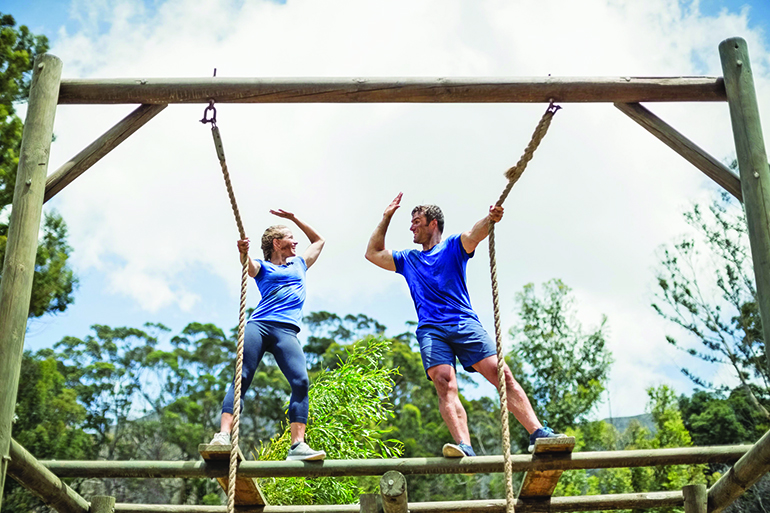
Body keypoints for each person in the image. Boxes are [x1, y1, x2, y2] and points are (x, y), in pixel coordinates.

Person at [365, 193, 563, 457]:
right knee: (444, 382)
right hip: (432, 330)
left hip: (463, 322)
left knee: (501, 374)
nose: (411, 227)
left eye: (417, 222)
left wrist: (490, 218)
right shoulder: (407, 259)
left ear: (433, 223)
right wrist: (386, 216)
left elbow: (474, 234)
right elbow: (372, 253)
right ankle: (464, 446)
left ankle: (538, 433)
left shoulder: (453, 247)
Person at [209, 209, 326, 461]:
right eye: (290, 237)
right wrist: (243, 252)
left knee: (301, 382)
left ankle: (297, 446)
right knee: (242, 378)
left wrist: (294, 219)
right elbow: (249, 267)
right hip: (260, 326)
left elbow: (319, 241)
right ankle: (223, 435)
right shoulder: (263, 267)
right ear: (277, 243)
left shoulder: (299, 263)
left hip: (287, 331)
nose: (295, 242)